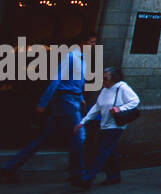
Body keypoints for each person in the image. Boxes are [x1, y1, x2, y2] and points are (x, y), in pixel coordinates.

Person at [1, 34, 96, 184]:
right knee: (79, 135)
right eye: (91, 42)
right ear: (82, 42)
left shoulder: (82, 60)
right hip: (66, 102)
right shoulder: (71, 57)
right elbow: (56, 80)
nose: (93, 45)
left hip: (72, 100)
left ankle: (8, 167)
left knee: (44, 137)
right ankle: (78, 175)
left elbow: (76, 82)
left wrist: (81, 98)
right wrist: (43, 102)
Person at [72, 66, 139, 188]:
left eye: (105, 79)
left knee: (102, 151)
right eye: (102, 78)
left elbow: (135, 100)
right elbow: (97, 107)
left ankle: (88, 178)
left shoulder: (122, 87)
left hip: (115, 125)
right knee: (109, 150)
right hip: (105, 125)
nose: (103, 81)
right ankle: (114, 176)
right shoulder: (104, 90)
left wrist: (119, 109)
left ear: (114, 79)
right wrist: (83, 121)